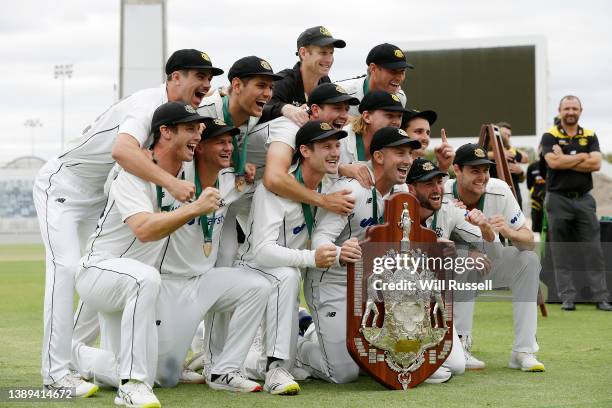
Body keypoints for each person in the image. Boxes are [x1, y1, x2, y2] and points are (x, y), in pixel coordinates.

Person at [32, 48, 223, 395]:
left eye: (210, 78)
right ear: (174, 78)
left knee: (107, 269)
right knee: (66, 269)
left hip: (100, 195)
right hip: (64, 185)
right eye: (200, 75)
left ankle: (79, 354)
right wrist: (171, 183)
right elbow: (121, 151)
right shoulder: (147, 103)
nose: (207, 83)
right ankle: (54, 374)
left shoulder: (179, 112)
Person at [73, 102, 213, 407]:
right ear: (164, 131)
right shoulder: (132, 175)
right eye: (190, 128)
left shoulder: (182, 171)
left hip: (135, 288)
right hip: (100, 271)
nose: (197, 136)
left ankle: (77, 356)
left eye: (198, 129)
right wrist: (195, 208)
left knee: (158, 376)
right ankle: (131, 386)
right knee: (146, 278)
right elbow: (144, 229)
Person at [296, 127, 420, 384]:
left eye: (410, 153)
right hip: (332, 284)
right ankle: (296, 349)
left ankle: (314, 332)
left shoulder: (403, 193)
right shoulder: (352, 190)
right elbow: (319, 239)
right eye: (400, 152)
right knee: (344, 374)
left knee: (384, 363)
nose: (408, 160)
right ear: (378, 156)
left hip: (373, 288)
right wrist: (342, 252)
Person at [235, 121, 351, 394]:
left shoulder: (331, 187)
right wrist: (312, 258)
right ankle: (274, 368)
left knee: (288, 275)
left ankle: (287, 352)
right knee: (286, 274)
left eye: (337, 145)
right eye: (326, 146)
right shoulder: (273, 189)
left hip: (287, 279)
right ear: (304, 151)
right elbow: (262, 251)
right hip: (254, 271)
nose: (335, 152)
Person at [444, 143, 545, 372]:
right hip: (446, 274)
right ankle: (461, 344)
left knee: (528, 259)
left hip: (492, 263)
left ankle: (523, 351)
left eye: (485, 170)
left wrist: (509, 233)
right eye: (475, 170)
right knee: (464, 259)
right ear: (457, 170)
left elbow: (528, 240)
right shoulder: (440, 190)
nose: (482, 177)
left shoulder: (499, 189)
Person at [406, 157, 498, 382]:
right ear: (411, 188)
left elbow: (490, 246)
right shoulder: (396, 208)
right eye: (428, 184)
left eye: (439, 182)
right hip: (397, 298)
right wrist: (427, 248)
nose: (437, 189)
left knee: (455, 367)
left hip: (431, 301)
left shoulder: (449, 210)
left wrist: (484, 228)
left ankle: (461, 339)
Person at [541, 95, 612, 311]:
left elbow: (597, 163)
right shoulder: (549, 135)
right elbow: (553, 162)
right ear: (560, 110)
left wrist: (566, 160)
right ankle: (567, 297)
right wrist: (582, 157)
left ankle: (600, 296)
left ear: (580, 110)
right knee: (562, 250)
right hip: (557, 198)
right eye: (566, 108)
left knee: (593, 250)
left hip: (584, 199)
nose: (570, 112)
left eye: (574, 108)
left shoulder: (590, 135)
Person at [264, 26, 346, 125]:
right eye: (323, 53)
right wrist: (284, 108)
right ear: (303, 53)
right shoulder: (283, 81)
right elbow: (258, 110)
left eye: (331, 53)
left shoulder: (325, 82)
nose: (329, 60)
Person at [336, 43, 413, 116]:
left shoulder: (400, 97)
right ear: (373, 69)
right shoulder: (340, 92)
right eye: (393, 71)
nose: (399, 78)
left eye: (402, 71)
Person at [488, 122, 528, 209]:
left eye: (509, 136)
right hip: (493, 196)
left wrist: (520, 171)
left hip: (513, 195)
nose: (507, 137)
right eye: (504, 134)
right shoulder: (484, 147)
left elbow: (525, 158)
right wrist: (498, 154)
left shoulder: (510, 151)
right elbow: (477, 155)